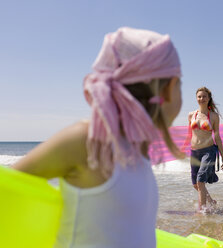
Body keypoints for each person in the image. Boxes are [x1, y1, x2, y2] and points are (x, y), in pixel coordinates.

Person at [12, 27, 184, 248]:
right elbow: (7, 184)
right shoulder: (88, 142)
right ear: (168, 89)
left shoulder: (137, 154)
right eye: (180, 84)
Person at [188, 86, 223, 212]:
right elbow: (191, 135)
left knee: (200, 180)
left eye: (204, 96)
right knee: (196, 184)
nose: (202, 98)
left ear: (209, 98)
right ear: (196, 98)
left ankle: (203, 210)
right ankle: (211, 201)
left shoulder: (214, 116)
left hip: (208, 151)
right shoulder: (191, 115)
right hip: (194, 152)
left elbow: (218, 137)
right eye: (199, 96)